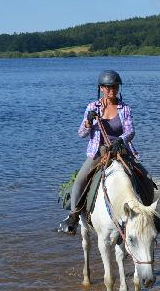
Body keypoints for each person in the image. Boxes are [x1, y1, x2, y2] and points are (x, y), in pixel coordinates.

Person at [56, 69, 140, 235]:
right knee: (80, 180)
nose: (112, 90)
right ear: (101, 88)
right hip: (98, 152)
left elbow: (130, 131)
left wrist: (120, 140)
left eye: (115, 87)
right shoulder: (92, 107)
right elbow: (81, 133)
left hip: (120, 150)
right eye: (108, 87)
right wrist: (88, 122)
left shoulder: (125, 109)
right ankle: (73, 216)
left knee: (145, 178)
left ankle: (147, 213)